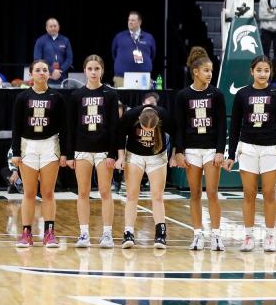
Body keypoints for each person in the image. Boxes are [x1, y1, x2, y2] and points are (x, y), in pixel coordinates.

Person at [226, 55, 276, 252]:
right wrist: (231, 155)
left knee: (269, 193)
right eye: (259, 70)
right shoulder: (243, 94)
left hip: (270, 147)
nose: (263, 74)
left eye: (266, 70)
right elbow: (234, 126)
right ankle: (248, 236)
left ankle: (270, 236)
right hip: (248, 147)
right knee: (249, 193)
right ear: (252, 71)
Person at [173, 47, 228, 251]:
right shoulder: (183, 95)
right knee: (194, 193)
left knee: (212, 192)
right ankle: (197, 234)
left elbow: (222, 125)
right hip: (191, 150)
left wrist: (221, 151)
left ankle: (216, 235)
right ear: (196, 71)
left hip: (211, 149)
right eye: (206, 70)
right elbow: (179, 126)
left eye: (211, 71)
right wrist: (179, 151)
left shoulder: (217, 94)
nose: (210, 74)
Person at [12, 60, 67, 248]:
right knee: (29, 192)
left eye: (45, 70)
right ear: (31, 75)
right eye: (38, 70)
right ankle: (26, 233)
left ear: (49, 74)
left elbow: (63, 127)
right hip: (28, 147)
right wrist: (16, 152)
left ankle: (49, 233)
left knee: (48, 192)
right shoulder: (22, 97)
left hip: (50, 146)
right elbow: (16, 128)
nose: (42, 73)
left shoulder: (57, 97)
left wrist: (65, 153)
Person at [66, 55, 119, 249]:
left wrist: (113, 153)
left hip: (104, 151)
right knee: (83, 192)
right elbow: (71, 126)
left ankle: (107, 234)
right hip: (82, 150)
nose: (94, 72)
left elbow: (115, 125)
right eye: (90, 69)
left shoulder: (110, 95)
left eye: (97, 68)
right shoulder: (76, 95)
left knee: (105, 192)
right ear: (85, 71)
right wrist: (70, 154)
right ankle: (84, 233)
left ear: (102, 70)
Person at [117, 99, 171, 249]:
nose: (147, 132)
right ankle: (128, 233)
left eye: (150, 130)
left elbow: (177, 132)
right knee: (132, 194)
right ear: (138, 120)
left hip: (157, 156)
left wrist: (175, 154)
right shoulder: (130, 115)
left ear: (158, 121)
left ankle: (161, 234)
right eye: (144, 128)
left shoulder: (164, 115)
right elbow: (120, 135)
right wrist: (121, 157)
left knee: (157, 195)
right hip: (134, 156)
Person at [111, 11, 156, 86]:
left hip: (143, 78)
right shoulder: (119, 37)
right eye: (129, 20)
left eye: (133, 20)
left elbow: (152, 55)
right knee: (120, 98)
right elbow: (114, 53)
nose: (130, 22)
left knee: (142, 98)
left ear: (140, 22)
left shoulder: (149, 37)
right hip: (121, 78)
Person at [33, 17, 73, 87]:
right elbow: (37, 59)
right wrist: (51, 71)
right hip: (46, 78)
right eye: (50, 26)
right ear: (46, 28)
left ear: (59, 27)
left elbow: (69, 59)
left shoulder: (65, 40)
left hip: (63, 78)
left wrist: (60, 71)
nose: (53, 28)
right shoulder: (40, 41)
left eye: (55, 26)